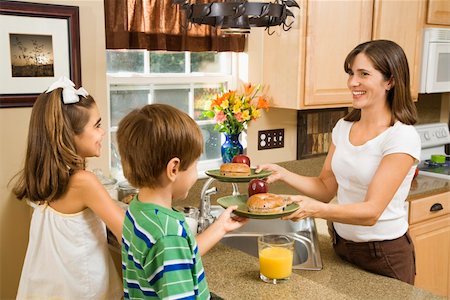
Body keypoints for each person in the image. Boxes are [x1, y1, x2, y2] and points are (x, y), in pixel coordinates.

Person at [257, 40, 420, 284]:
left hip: (384, 255)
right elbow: (325, 187)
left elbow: (371, 212)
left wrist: (315, 209)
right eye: (351, 73)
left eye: (364, 74)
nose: (353, 82)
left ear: (390, 81)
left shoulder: (401, 137)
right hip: (342, 247)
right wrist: (284, 174)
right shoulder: (343, 128)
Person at [116, 104, 248, 299]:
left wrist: (221, 227)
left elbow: (184, 254)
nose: (195, 174)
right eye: (194, 164)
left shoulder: (138, 209)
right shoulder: (167, 235)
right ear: (174, 169)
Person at [11, 76, 124, 299]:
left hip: (48, 288)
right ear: (70, 135)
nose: (102, 132)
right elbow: (129, 233)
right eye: (97, 125)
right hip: (84, 290)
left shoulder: (45, 178)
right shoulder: (84, 182)